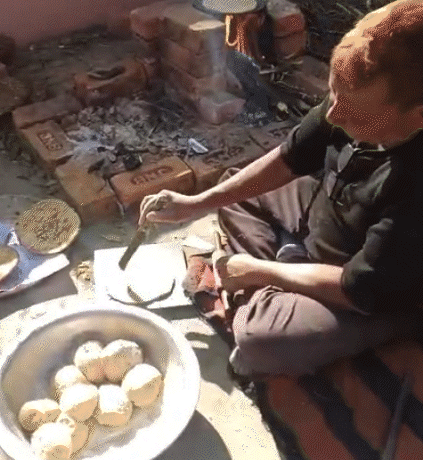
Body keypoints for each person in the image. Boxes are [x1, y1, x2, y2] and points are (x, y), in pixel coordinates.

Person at [138, 0, 423, 377]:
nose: (333, 115)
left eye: (354, 112)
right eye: (334, 94)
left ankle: (278, 287)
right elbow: (291, 157)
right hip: (332, 218)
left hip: (373, 289)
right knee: (233, 192)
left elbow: (357, 289)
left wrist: (260, 271)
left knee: (260, 342)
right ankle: (283, 277)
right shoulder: (356, 97)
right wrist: (195, 203)